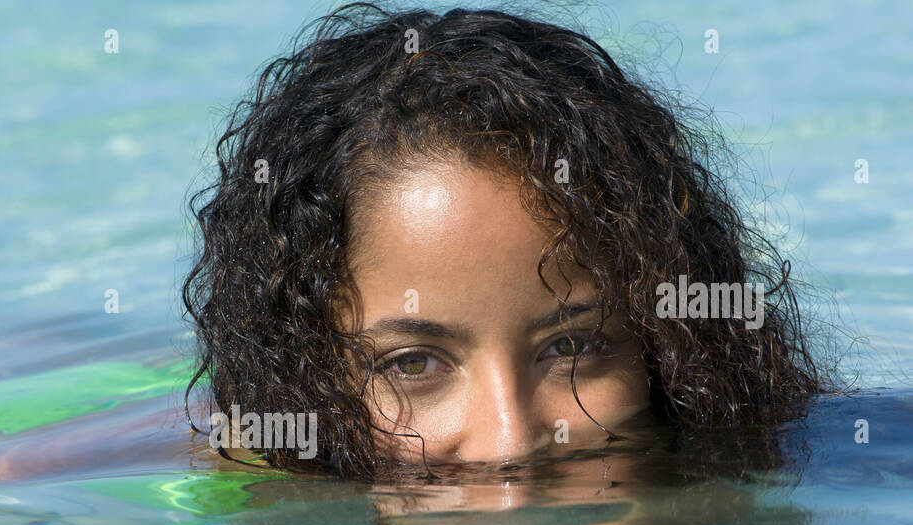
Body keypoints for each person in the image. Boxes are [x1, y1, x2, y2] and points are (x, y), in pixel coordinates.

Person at [182, 3, 833, 478]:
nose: (511, 442)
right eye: (413, 363)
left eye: (571, 345)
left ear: (669, 357)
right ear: (308, 378)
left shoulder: (789, 482)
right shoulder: (266, 463)